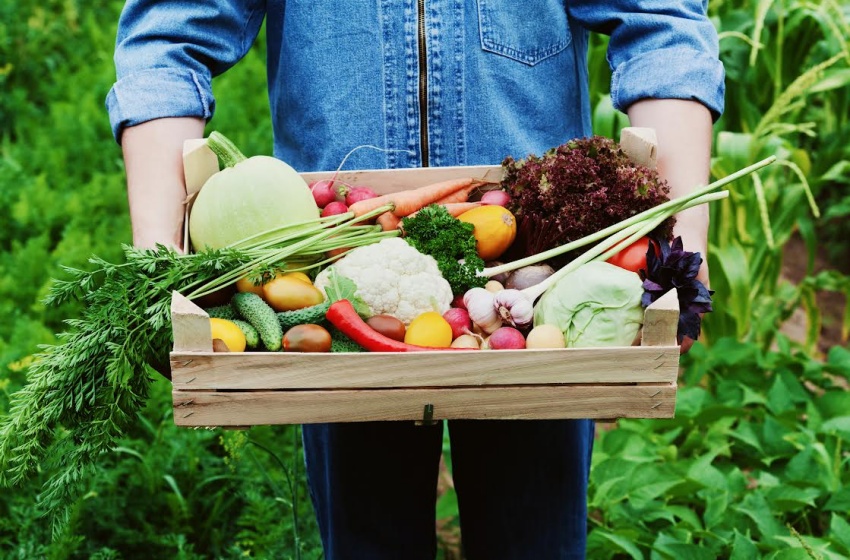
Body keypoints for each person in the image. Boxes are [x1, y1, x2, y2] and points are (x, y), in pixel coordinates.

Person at [107, 2, 724, 558]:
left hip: (541, 277)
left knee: (533, 538)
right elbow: (168, 36)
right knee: (367, 541)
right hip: (335, 277)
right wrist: (160, 257)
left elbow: (663, 27)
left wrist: (681, 255)